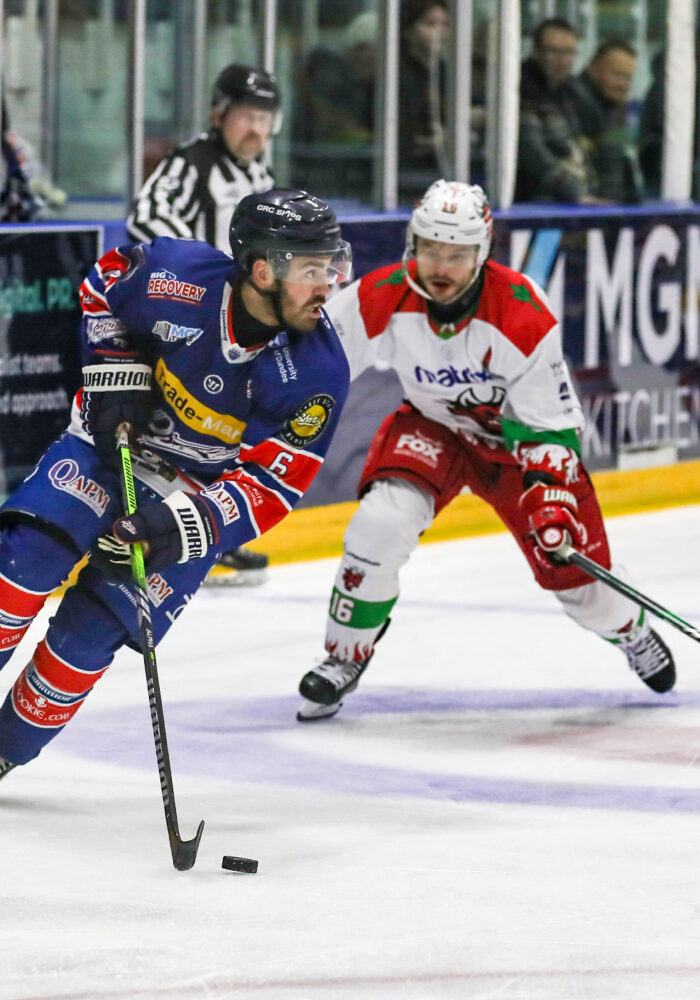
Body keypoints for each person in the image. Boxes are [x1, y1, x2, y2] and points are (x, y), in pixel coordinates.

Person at [0, 189, 351, 779]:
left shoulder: (319, 370)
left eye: (331, 266)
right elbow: (103, 283)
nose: (328, 284)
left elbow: (273, 486)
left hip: (189, 495)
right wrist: (116, 371)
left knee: (90, 635)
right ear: (263, 270)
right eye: (312, 270)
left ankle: (6, 749)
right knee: (22, 566)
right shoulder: (176, 275)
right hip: (109, 449)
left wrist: (181, 523)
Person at [295, 179, 676, 722]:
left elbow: (548, 426)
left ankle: (629, 629)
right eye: (431, 250)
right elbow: (313, 363)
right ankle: (344, 656)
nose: (441, 267)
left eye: (456, 254)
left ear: (482, 253)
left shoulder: (521, 312)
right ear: (412, 245)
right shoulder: (383, 294)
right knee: (379, 525)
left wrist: (550, 498)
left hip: (516, 452)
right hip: (436, 428)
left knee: (577, 581)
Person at [128, 63, 283, 584]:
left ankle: (208, 532)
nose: (256, 128)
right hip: (183, 324)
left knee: (223, 432)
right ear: (220, 115)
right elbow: (145, 217)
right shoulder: (191, 163)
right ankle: (154, 531)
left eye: (264, 118)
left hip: (235, 331)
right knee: (170, 434)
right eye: (246, 116)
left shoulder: (261, 177)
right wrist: (208, 270)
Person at [516, 18, 596, 204]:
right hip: (533, 201)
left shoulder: (572, 90)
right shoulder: (522, 88)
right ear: (535, 51)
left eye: (568, 52)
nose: (562, 60)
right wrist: (576, 193)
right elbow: (533, 154)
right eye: (553, 51)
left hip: (570, 196)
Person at [571, 39, 641, 204]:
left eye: (628, 78)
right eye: (616, 75)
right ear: (593, 69)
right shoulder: (578, 103)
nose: (623, 85)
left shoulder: (612, 105)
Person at [398, 0, 449, 202]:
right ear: (407, 31)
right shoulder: (395, 74)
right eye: (430, 24)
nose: (439, 32)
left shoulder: (448, 72)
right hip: (406, 174)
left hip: (442, 171)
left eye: (444, 25)